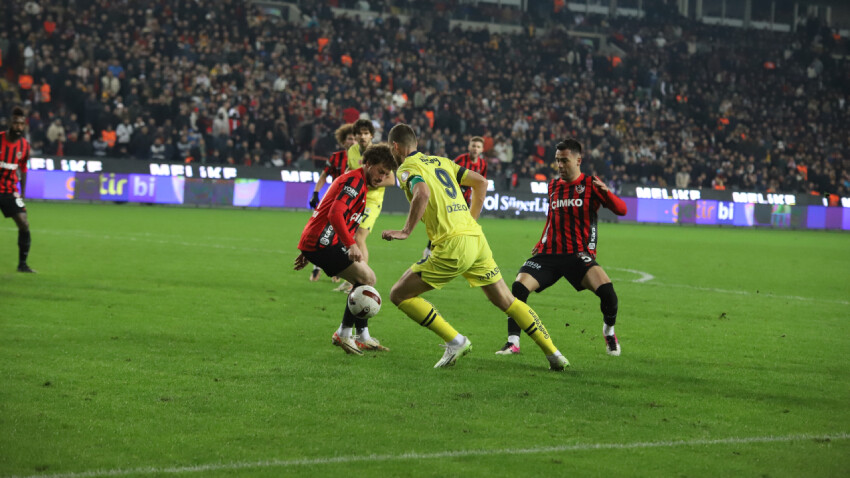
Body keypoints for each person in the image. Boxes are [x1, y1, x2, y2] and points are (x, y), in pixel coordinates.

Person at [381, 124, 569, 370]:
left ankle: (456, 341)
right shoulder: (442, 162)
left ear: (395, 146)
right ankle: (554, 354)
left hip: (451, 246)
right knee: (507, 300)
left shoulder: (407, 168)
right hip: (476, 240)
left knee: (399, 294)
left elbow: (423, 192)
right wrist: (471, 219)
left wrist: (406, 231)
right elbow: (480, 182)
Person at [495, 139, 627, 357]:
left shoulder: (592, 185)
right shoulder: (553, 186)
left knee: (609, 295)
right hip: (549, 254)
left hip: (578, 256)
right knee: (518, 288)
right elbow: (551, 218)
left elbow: (621, 210)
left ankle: (609, 332)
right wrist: (541, 240)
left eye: (564, 160)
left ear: (578, 160)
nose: (560, 165)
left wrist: (607, 192)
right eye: (557, 161)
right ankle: (513, 342)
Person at [294, 144, 398, 354]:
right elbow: (334, 214)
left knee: (364, 279)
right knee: (367, 279)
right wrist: (350, 244)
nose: (381, 177)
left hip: (320, 242)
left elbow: (333, 215)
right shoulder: (354, 181)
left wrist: (308, 251)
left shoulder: (361, 183)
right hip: (323, 242)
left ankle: (360, 336)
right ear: (368, 164)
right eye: (380, 171)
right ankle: (345, 334)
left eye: (386, 174)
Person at [332, 118, 393, 293]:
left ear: (372, 135)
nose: (363, 136)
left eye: (366, 133)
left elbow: (390, 179)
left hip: (372, 201)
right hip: (355, 199)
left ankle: (362, 280)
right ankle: (352, 278)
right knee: (347, 237)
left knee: (359, 238)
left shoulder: (380, 153)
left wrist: (373, 184)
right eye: (359, 133)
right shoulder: (351, 151)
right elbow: (350, 170)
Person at [423, 136, 487, 258]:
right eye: (473, 146)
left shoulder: (482, 164)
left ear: (482, 149)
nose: (475, 149)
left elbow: (481, 184)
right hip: (453, 199)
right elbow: (447, 174)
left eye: (478, 147)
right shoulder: (461, 160)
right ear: (469, 147)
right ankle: (429, 249)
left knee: (462, 228)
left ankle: (454, 252)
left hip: (467, 201)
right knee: (443, 224)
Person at [308, 123, 356, 282]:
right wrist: (315, 193)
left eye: (355, 138)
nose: (353, 141)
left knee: (342, 235)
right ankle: (316, 268)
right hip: (333, 201)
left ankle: (336, 268)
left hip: (350, 203)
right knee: (322, 231)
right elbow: (323, 176)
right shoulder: (336, 157)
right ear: (344, 141)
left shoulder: (361, 160)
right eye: (350, 138)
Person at [0, 107, 35, 273]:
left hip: (10, 190)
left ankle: (22, 264)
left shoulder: (24, 146)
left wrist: (23, 192)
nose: (19, 127)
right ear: (10, 123)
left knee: (24, 223)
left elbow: (23, 168)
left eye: (22, 124)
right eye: (16, 123)